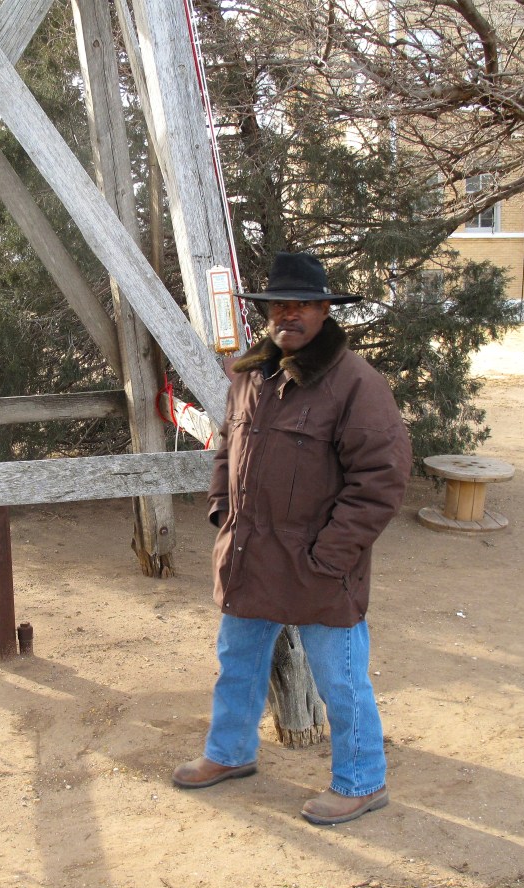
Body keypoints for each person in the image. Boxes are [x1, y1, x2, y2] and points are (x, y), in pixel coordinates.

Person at [172, 251, 413, 826]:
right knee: (237, 662)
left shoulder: (356, 383)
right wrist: (220, 511)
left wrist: (330, 556)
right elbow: (227, 448)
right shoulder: (250, 375)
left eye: (302, 304)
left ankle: (362, 781)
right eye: (280, 305)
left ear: (325, 310)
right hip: (250, 556)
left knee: (340, 679)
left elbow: (381, 480)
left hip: (320, 566)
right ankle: (228, 755)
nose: (290, 314)